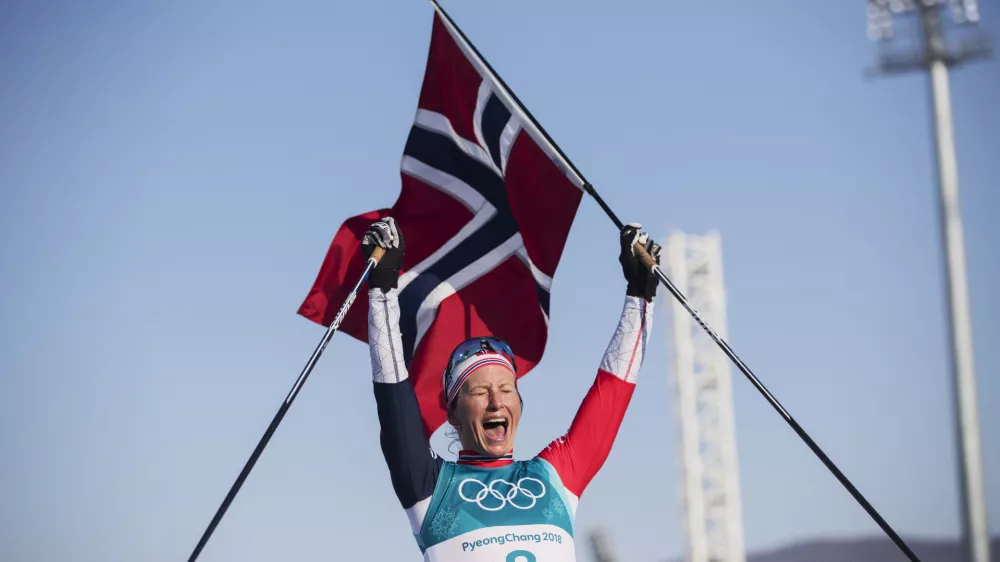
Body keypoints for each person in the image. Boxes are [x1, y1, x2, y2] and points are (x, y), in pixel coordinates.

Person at [362, 216, 660, 561]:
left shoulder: (554, 478)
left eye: (506, 389)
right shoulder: (430, 487)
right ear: (453, 413)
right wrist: (382, 288)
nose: (495, 402)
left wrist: (641, 295)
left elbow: (612, 391)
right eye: (478, 392)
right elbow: (393, 397)